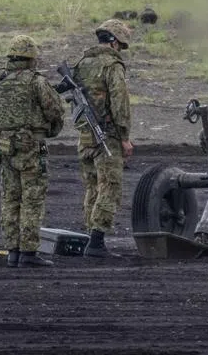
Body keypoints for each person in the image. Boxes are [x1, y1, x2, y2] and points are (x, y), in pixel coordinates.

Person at [0, 35, 65, 268]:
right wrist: (48, 131)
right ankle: (29, 253)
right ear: (32, 58)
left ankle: (13, 251)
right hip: (31, 147)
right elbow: (55, 111)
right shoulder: (36, 81)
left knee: (10, 199)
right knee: (32, 199)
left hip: (5, 146)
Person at [71, 18, 134, 259]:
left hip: (85, 136)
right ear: (115, 42)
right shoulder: (112, 65)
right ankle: (96, 242)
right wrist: (125, 137)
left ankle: (91, 238)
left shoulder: (82, 63)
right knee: (110, 187)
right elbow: (120, 103)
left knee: (92, 187)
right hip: (106, 136)